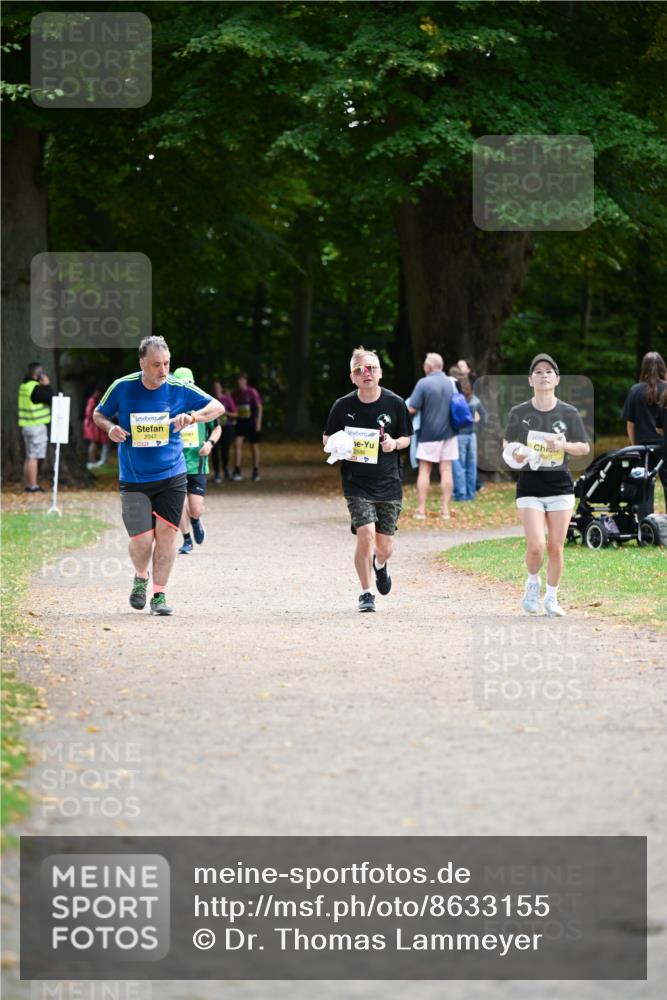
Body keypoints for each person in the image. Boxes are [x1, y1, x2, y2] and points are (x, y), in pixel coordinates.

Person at [93, 336, 224, 616]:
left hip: (171, 475)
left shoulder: (177, 387)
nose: (163, 371)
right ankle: (141, 577)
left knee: (166, 535)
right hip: (134, 478)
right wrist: (109, 428)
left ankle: (159, 594)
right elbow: (98, 414)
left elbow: (218, 407)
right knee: (142, 540)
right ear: (142, 363)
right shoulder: (122, 386)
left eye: (166, 364)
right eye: (156, 365)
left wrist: (192, 417)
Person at [323, 346, 413, 613]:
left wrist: (393, 444)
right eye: (359, 369)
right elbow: (327, 438)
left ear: (380, 373)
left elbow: (407, 438)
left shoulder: (395, 403)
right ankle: (365, 593)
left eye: (371, 368)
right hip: (356, 482)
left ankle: (381, 565)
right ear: (352, 376)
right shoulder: (342, 406)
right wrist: (338, 445)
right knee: (366, 535)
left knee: (384, 547)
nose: (366, 373)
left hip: (389, 482)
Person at [503, 353, 590, 617]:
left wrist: (562, 445)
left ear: (557, 379)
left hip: (560, 486)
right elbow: (508, 445)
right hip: (529, 486)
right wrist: (517, 453)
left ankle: (552, 598)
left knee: (555, 546)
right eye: (538, 372)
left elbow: (584, 447)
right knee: (536, 546)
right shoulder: (519, 412)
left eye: (549, 372)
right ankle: (532, 584)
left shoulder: (568, 412)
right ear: (530, 380)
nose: (543, 376)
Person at [173, 367, 222, 554]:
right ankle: (186, 540)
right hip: (175, 463)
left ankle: (195, 520)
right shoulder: (170, 407)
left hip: (198, 463)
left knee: (195, 508)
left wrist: (209, 443)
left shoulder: (202, 406)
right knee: (178, 503)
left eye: (189, 385)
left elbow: (217, 429)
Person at [407, 353, 457, 520]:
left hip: (429, 434)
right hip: (450, 433)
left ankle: (421, 511)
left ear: (428, 367)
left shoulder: (424, 383)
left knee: (425, 470)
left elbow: (412, 408)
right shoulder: (452, 383)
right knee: (447, 470)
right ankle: (445, 511)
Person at [621, 351, 667, 518]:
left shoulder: (635, 390)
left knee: (645, 487)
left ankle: (647, 528)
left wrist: (635, 445)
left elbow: (630, 424)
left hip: (644, 447)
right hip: (664, 446)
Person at [18, 361, 53, 493]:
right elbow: (50, 399)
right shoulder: (36, 388)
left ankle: (29, 484)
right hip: (36, 426)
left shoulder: (24, 385)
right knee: (34, 457)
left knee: (29, 456)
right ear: (38, 375)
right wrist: (47, 386)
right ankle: (33, 486)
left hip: (26, 426)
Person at [452, 375, 488, 502]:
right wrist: (477, 429)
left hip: (458, 436)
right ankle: (470, 494)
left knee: (459, 466)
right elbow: (485, 417)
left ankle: (460, 495)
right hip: (472, 436)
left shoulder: (455, 399)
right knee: (471, 466)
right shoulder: (475, 400)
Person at [231, 372, 263, 481]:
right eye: (238, 380)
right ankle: (237, 469)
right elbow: (233, 408)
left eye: (242, 380)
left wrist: (258, 422)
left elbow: (259, 407)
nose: (240, 382)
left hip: (252, 422)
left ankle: (256, 470)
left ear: (245, 381)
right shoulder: (235, 393)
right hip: (240, 422)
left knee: (254, 446)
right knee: (237, 444)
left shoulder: (252, 392)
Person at [210, 380, 238, 483]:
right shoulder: (210, 400)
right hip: (214, 428)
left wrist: (226, 413)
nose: (216, 389)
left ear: (221, 388)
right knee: (215, 450)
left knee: (225, 450)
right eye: (214, 387)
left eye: (218, 387)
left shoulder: (227, 399)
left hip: (227, 428)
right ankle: (217, 473)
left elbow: (236, 413)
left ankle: (225, 469)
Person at [83, 384, 110, 469]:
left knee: (95, 442)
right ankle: (92, 462)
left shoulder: (96, 399)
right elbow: (89, 413)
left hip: (94, 424)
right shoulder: (92, 400)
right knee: (93, 442)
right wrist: (98, 416)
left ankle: (94, 461)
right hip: (91, 425)